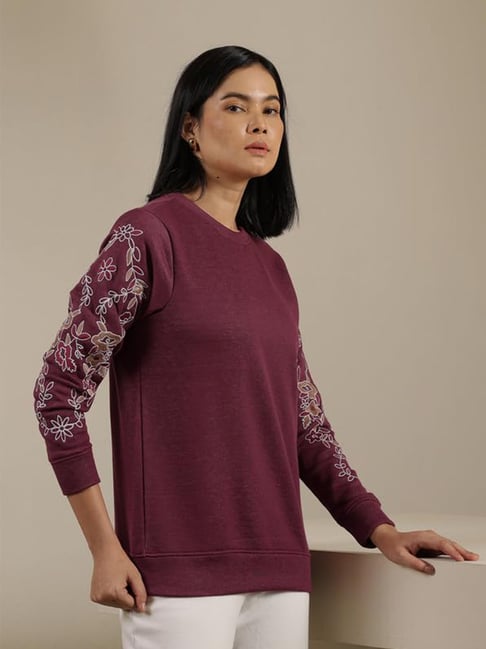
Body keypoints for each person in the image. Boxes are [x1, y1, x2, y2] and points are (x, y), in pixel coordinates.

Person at [33, 45, 479, 649]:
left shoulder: (271, 269)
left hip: (279, 573)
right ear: (190, 129)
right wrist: (104, 547)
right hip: (176, 578)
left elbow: (304, 427)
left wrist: (379, 529)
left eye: (272, 110)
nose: (260, 124)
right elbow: (57, 392)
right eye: (237, 106)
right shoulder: (148, 237)